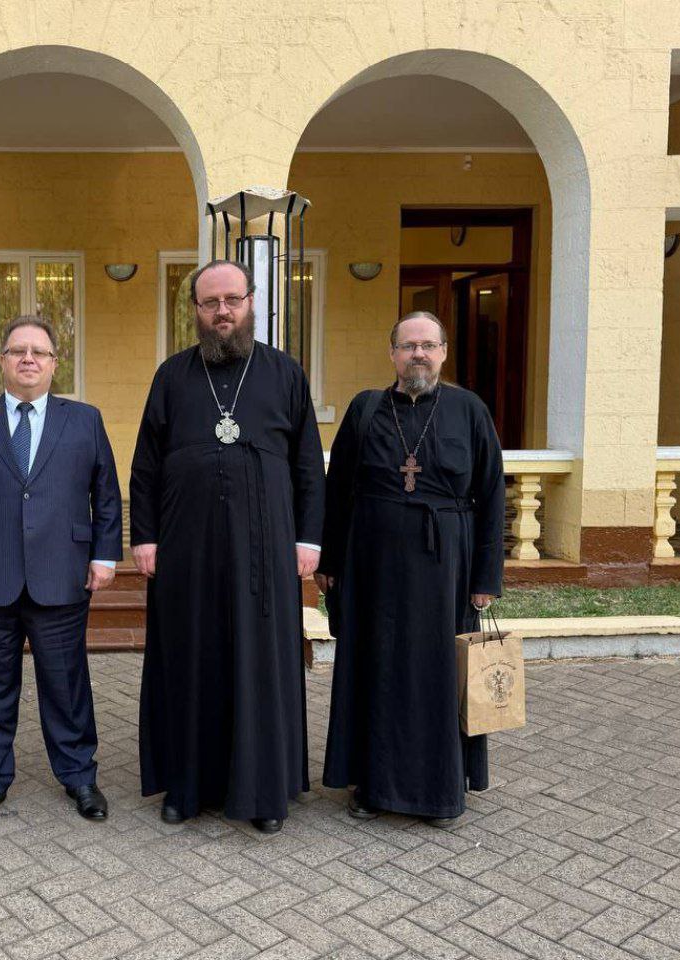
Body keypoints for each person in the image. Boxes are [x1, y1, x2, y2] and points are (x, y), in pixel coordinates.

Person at [130, 260, 325, 834]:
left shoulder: (285, 373)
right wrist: (145, 536)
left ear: (251, 301)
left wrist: (308, 538)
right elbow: (145, 465)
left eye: (232, 300)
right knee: (189, 657)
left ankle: (263, 790)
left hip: (265, 550)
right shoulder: (172, 375)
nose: (222, 311)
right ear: (195, 309)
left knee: (259, 661)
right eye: (210, 302)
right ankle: (186, 786)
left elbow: (308, 465)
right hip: (185, 548)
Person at [0, 316, 122, 828]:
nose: (29, 359)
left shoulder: (85, 420)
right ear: (2, 361)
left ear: (55, 363)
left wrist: (105, 556)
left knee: (66, 686)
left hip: (62, 575)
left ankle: (79, 776)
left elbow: (106, 493)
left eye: (39, 351)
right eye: (18, 350)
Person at [318, 310, 504, 826]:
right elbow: (338, 491)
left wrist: (486, 577)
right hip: (371, 567)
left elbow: (491, 494)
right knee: (373, 668)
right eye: (407, 346)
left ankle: (439, 793)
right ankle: (371, 786)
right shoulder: (365, 409)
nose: (417, 354)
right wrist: (329, 562)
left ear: (443, 352)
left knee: (438, 675)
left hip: (446, 571)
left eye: (427, 345)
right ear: (393, 354)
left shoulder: (469, 410)